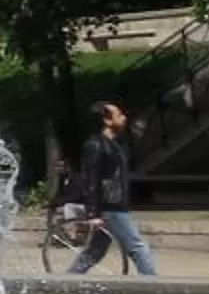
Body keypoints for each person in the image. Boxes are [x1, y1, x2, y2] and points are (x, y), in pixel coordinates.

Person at [67, 100, 158, 277]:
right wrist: (92, 214)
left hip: (115, 204)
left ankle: (69, 280)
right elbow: (90, 180)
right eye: (119, 115)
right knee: (138, 247)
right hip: (111, 207)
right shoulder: (95, 145)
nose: (124, 118)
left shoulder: (115, 145)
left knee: (96, 250)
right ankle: (154, 287)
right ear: (107, 121)